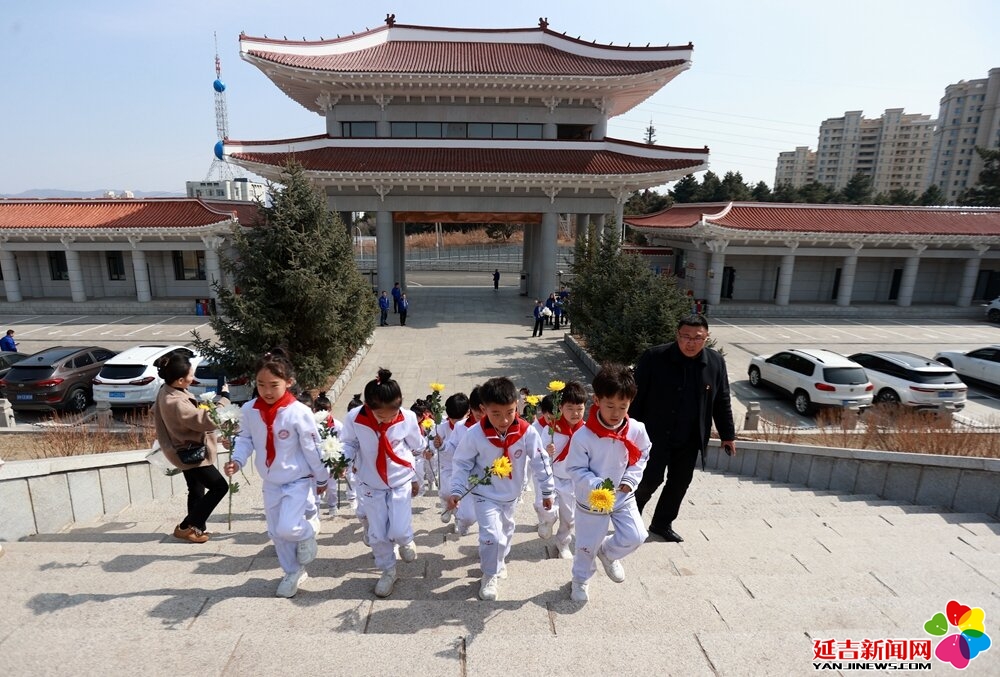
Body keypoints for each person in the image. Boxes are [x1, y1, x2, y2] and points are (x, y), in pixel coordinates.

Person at [224, 350, 330, 598]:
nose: (267, 391)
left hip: (297, 480)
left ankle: (307, 533)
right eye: (261, 384)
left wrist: (322, 477)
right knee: (275, 532)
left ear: (289, 382)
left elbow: (312, 448)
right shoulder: (250, 410)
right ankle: (292, 572)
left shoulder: (298, 412)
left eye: (274, 385)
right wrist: (237, 460)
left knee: (287, 527)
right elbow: (246, 439)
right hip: (271, 481)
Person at [629, 315, 736, 543]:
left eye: (698, 338)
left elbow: (722, 399)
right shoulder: (654, 357)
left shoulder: (715, 362)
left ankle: (661, 523)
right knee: (649, 480)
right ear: (677, 335)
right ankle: (630, 520)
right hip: (653, 436)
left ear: (706, 337)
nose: (691, 342)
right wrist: (626, 432)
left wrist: (727, 435)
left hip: (689, 438)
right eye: (686, 336)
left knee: (679, 483)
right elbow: (635, 398)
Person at [447, 377, 553, 601]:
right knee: (492, 535)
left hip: (511, 494)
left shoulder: (526, 432)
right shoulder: (475, 434)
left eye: (510, 412)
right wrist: (456, 490)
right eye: (496, 414)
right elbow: (462, 462)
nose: (504, 420)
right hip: (484, 493)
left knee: (505, 532)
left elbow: (540, 461)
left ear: (517, 406)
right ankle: (489, 574)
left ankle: (499, 559)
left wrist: (546, 491)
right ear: (483, 409)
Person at [566, 363, 651, 602]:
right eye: (610, 405)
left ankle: (608, 553)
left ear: (630, 403)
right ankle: (580, 579)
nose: (616, 413)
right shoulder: (584, 435)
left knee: (636, 536)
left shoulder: (636, 429)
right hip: (592, 499)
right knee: (586, 545)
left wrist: (630, 479)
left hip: (622, 495)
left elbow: (643, 454)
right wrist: (596, 484)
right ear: (597, 400)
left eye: (622, 407)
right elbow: (574, 468)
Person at [340, 368, 425, 598]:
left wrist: (417, 475)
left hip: (400, 479)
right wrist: (341, 459)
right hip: (371, 482)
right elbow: (349, 443)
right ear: (368, 406)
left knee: (399, 529)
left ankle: (406, 540)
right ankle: (388, 571)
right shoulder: (355, 418)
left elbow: (416, 446)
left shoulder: (407, 417)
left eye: (392, 414)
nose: (387, 419)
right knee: (377, 534)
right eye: (381, 415)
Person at [151, 349, 230, 544]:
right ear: (179, 380)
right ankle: (187, 526)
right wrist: (224, 399)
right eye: (190, 375)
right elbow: (204, 420)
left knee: (196, 488)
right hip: (191, 452)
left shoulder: (167, 390)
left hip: (181, 449)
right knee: (219, 487)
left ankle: (196, 528)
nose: (193, 378)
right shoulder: (175, 401)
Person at [539, 381, 587, 559]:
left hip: (573, 481)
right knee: (548, 508)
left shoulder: (586, 431)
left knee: (569, 518)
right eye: (570, 408)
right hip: (553, 478)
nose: (575, 413)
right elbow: (540, 453)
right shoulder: (551, 429)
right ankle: (547, 521)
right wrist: (547, 449)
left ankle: (563, 543)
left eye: (579, 409)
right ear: (560, 408)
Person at [441, 386, 482, 536]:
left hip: (485, 478)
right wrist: (442, 446)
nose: (481, 416)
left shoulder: (495, 427)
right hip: (466, 477)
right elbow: (453, 448)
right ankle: (461, 522)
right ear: (471, 409)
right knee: (468, 517)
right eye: (478, 412)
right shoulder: (460, 427)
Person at [313, 391, 350, 514]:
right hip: (316, 460)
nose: (323, 413)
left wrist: (340, 462)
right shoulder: (312, 425)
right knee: (315, 486)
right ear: (314, 410)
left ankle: (332, 507)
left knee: (332, 487)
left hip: (331, 460)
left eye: (326, 410)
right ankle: (315, 510)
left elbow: (343, 442)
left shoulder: (337, 425)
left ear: (330, 410)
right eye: (320, 410)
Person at [435, 392, 469, 511]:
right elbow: (432, 441)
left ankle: (458, 516)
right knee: (445, 492)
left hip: (463, 467)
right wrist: (434, 446)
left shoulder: (469, 429)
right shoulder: (443, 427)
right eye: (452, 418)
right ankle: (446, 505)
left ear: (468, 412)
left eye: (459, 419)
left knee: (460, 494)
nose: (455, 422)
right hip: (447, 466)